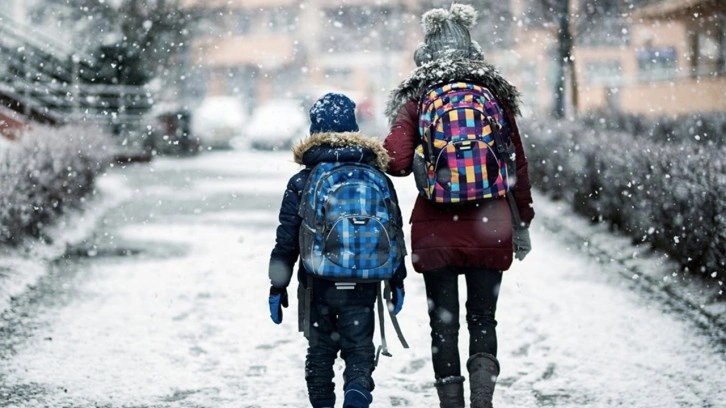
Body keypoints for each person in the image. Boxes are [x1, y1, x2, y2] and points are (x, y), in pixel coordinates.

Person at [382, 4, 535, 408]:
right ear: (472, 50)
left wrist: (420, 159)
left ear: (425, 53)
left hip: (436, 229)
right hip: (492, 223)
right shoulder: (493, 96)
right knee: (483, 318)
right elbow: (516, 163)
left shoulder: (418, 97)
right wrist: (523, 223)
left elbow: (395, 160)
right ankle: (483, 396)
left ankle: (451, 401)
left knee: (443, 325)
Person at [267, 93, 407, 408]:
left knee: (320, 353)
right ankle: (357, 396)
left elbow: (286, 238)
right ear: (353, 128)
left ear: (314, 130)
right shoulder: (376, 175)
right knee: (358, 350)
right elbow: (394, 231)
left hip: (318, 282)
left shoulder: (303, 179)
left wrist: (278, 284)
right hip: (364, 282)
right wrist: (397, 279)